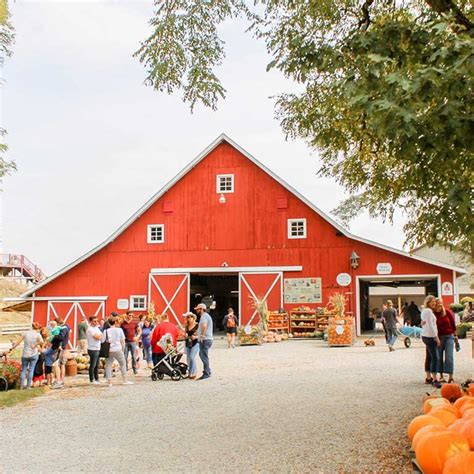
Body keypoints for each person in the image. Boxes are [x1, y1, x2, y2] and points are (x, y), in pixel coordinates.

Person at [101, 316, 133, 386]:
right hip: (118, 349)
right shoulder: (119, 330)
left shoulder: (105, 331)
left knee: (108, 365)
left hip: (109, 350)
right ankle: (125, 380)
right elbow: (123, 341)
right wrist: (123, 349)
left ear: (108, 323)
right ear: (115, 322)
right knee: (122, 364)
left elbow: (102, 341)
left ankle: (109, 382)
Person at [434, 298, 457, 383]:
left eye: (440, 303)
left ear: (442, 303)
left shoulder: (447, 312)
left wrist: (455, 336)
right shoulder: (433, 314)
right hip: (438, 337)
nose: (438, 305)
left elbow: (453, 324)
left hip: (449, 336)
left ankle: (451, 376)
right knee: (439, 357)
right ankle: (441, 376)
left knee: (449, 356)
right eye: (436, 304)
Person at [421, 295, 441, 388]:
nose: (434, 303)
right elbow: (431, 325)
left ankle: (428, 377)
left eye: (435, 301)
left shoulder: (425, 311)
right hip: (430, 336)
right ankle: (434, 379)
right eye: (432, 301)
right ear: (428, 302)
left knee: (429, 356)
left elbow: (424, 323)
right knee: (435, 357)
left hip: (426, 335)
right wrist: (436, 337)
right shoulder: (428, 311)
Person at [20, 322, 44, 389]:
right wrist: (35, 345)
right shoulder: (38, 335)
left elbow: (18, 341)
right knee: (31, 369)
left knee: (23, 370)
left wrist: (12, 348)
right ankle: (28, 386)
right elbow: (41, 342)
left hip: (25, 354)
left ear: (32, 326)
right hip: (33, 354)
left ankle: (21, 386)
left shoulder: (26, 333)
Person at [196, 303, 213, 380]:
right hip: (208, 339)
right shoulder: (206, 316)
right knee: (202, 354)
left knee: (203, 355)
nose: (197, 310)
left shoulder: (204, 316)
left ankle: (206, 373)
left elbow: (204, 325)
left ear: (202, 309)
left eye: (198, 309)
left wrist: (202, 335)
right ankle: (208, 370)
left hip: (205, 339)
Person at [52, 318, 71, 389]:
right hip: (64, 347)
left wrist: (54, 338)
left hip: (60, 348)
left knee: (56, 364)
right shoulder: (67, 327)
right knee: (62, 364)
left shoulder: (62, 329)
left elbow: (61, 337)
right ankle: (62, 380)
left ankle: (58, 381)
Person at [86, 316, 103, 384]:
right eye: (94, 321)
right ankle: (92, 380)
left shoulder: (96, 328)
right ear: (91, 322)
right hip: (92, 348)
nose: (96, 322)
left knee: (97, 365)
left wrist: (100, 336)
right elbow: (98, 337)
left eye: (97, 321)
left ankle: (97, 379)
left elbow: (101, 336)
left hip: (97, 347)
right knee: (93, 365)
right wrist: (101, 336)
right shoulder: (90, 329)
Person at [183, 312, 199, 379]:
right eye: (188, 317)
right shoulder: (186, 326)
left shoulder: (197, 325)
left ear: (193, 318)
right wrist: (185, 335)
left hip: (195, 343)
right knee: (188, 359)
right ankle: (190, 373)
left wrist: (195, 337)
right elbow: (185, 335)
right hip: (188, 343)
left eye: (191, 317)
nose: (189, 318)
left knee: (192, 357)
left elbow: (201, 335)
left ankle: (194, 373)